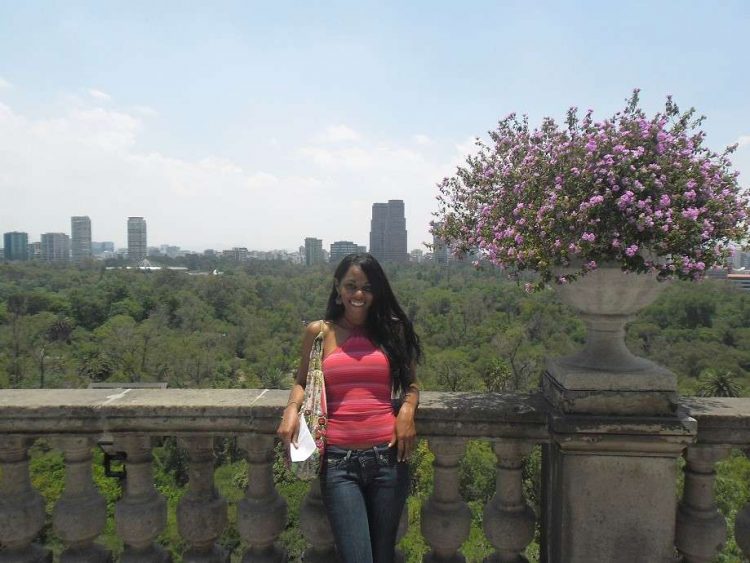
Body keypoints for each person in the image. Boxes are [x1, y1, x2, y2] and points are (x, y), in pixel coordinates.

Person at [277, 253, 422, 563]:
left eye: (367, 287)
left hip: (388, 458)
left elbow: (411, 384)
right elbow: (301, 382)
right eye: (351, 285)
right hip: (339, 462)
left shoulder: (392, 330)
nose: (359, 294)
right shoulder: (319, 332)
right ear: (338, 288)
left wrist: (407, 411)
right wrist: (291, 409)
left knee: (383, 555)